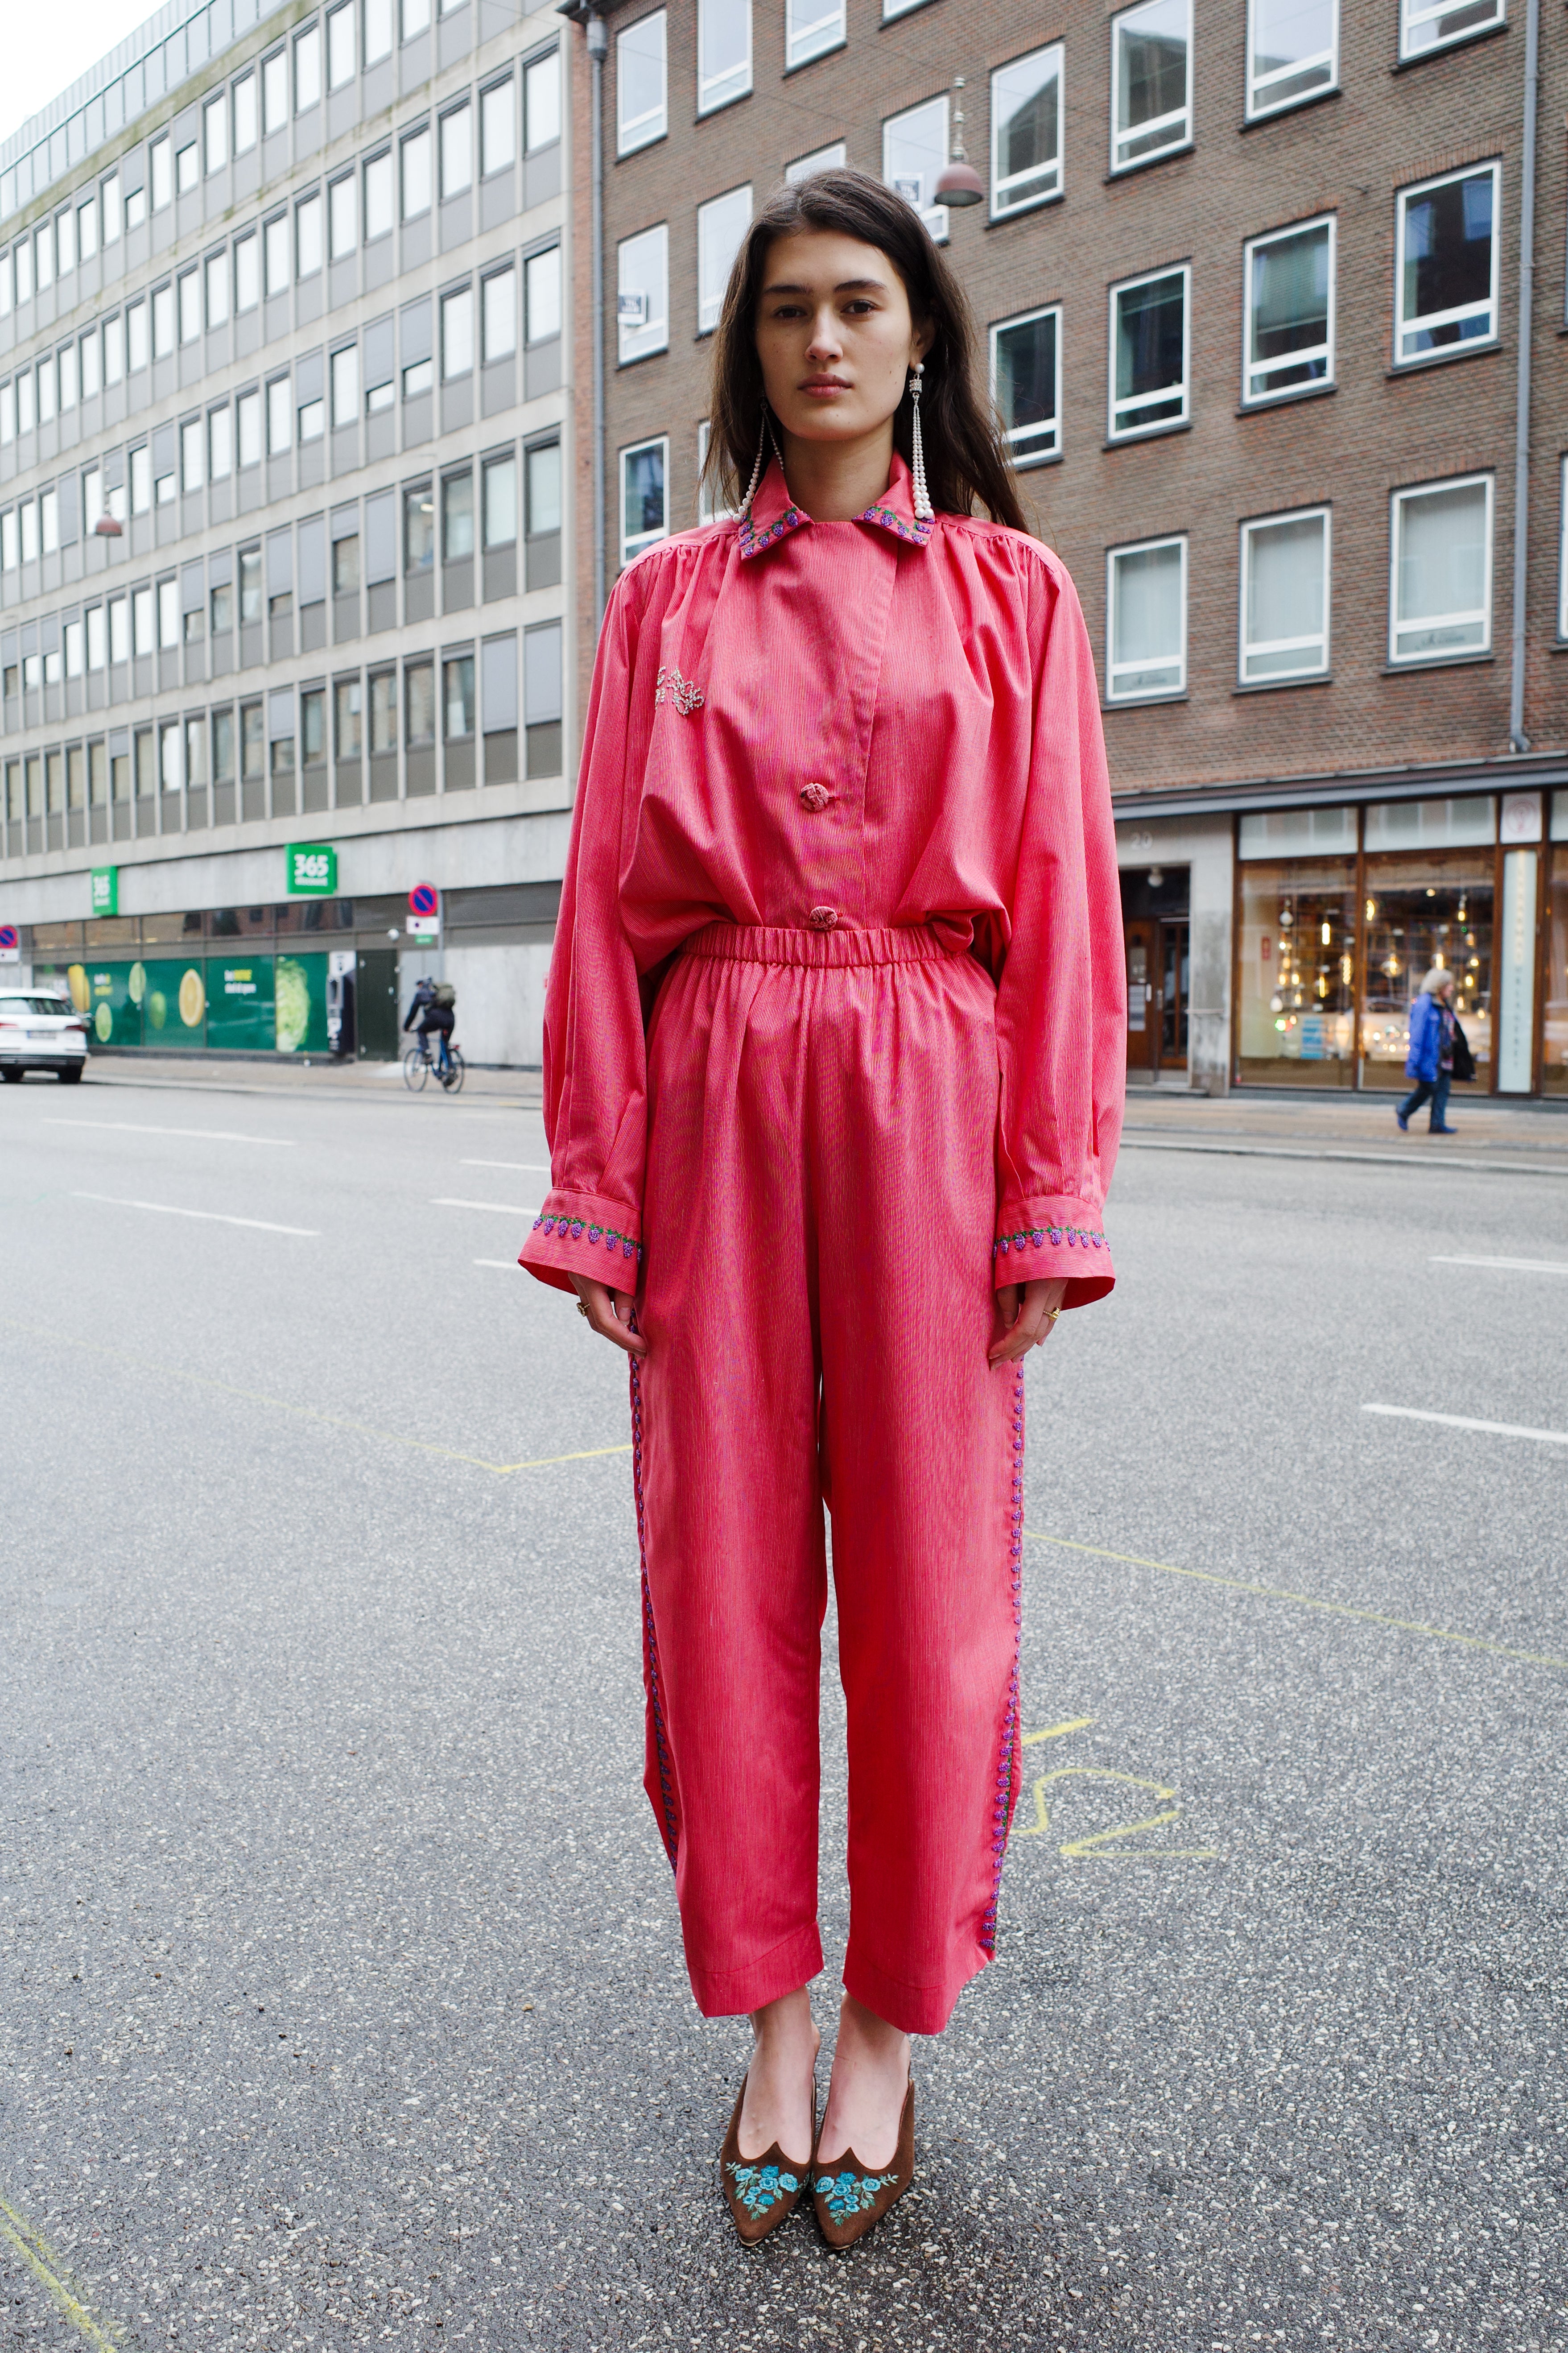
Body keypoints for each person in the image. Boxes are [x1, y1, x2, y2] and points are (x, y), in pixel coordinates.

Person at [519, 170, 1123, 2250]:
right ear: (749, 348)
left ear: (923, 336)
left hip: (936, 1096)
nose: (823, 341)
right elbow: (609, 899)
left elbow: (1056, 907)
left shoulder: (1010, 602)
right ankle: (767, 2010)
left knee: (936, 1589)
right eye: (784, 308)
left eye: (859, 303)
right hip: (719, 1084)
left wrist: (1048, 1201)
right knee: (724, 1587)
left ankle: (884, 2021)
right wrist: (600, 1194)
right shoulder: (667, 605)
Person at [1398, 968, 1457, 1133]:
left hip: (1445, 1057)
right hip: (1430, 1058)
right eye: (1449, 985)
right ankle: (1404, 1109)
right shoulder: (1424, 1003)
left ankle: (1437, 1124)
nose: (1452, 988)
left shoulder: (1444, 1005)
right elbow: (1417, 1034)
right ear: (1439, 986)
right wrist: (1414, 1062)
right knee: (1428, 1088)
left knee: (1443, 1090)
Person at [403, 975, 454, 1074]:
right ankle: (449, 1070)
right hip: (451, 1019)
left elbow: (413, 1012)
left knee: (421, 1030)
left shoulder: (421, 993)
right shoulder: (437, 992)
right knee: (444, 1043)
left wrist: (406, 1027)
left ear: (421, 984)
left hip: (436, 1019)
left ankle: (427, 1054)